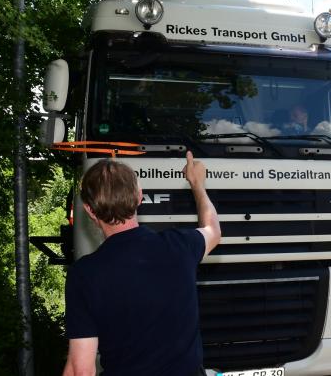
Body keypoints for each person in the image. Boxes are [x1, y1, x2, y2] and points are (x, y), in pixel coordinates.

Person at [63, 152, 221, 376]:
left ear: (89, 210)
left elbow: (81, 370)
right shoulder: (180, 246)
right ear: (139, 197)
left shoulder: (84, 275)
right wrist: (197, 185)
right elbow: (213, 230)